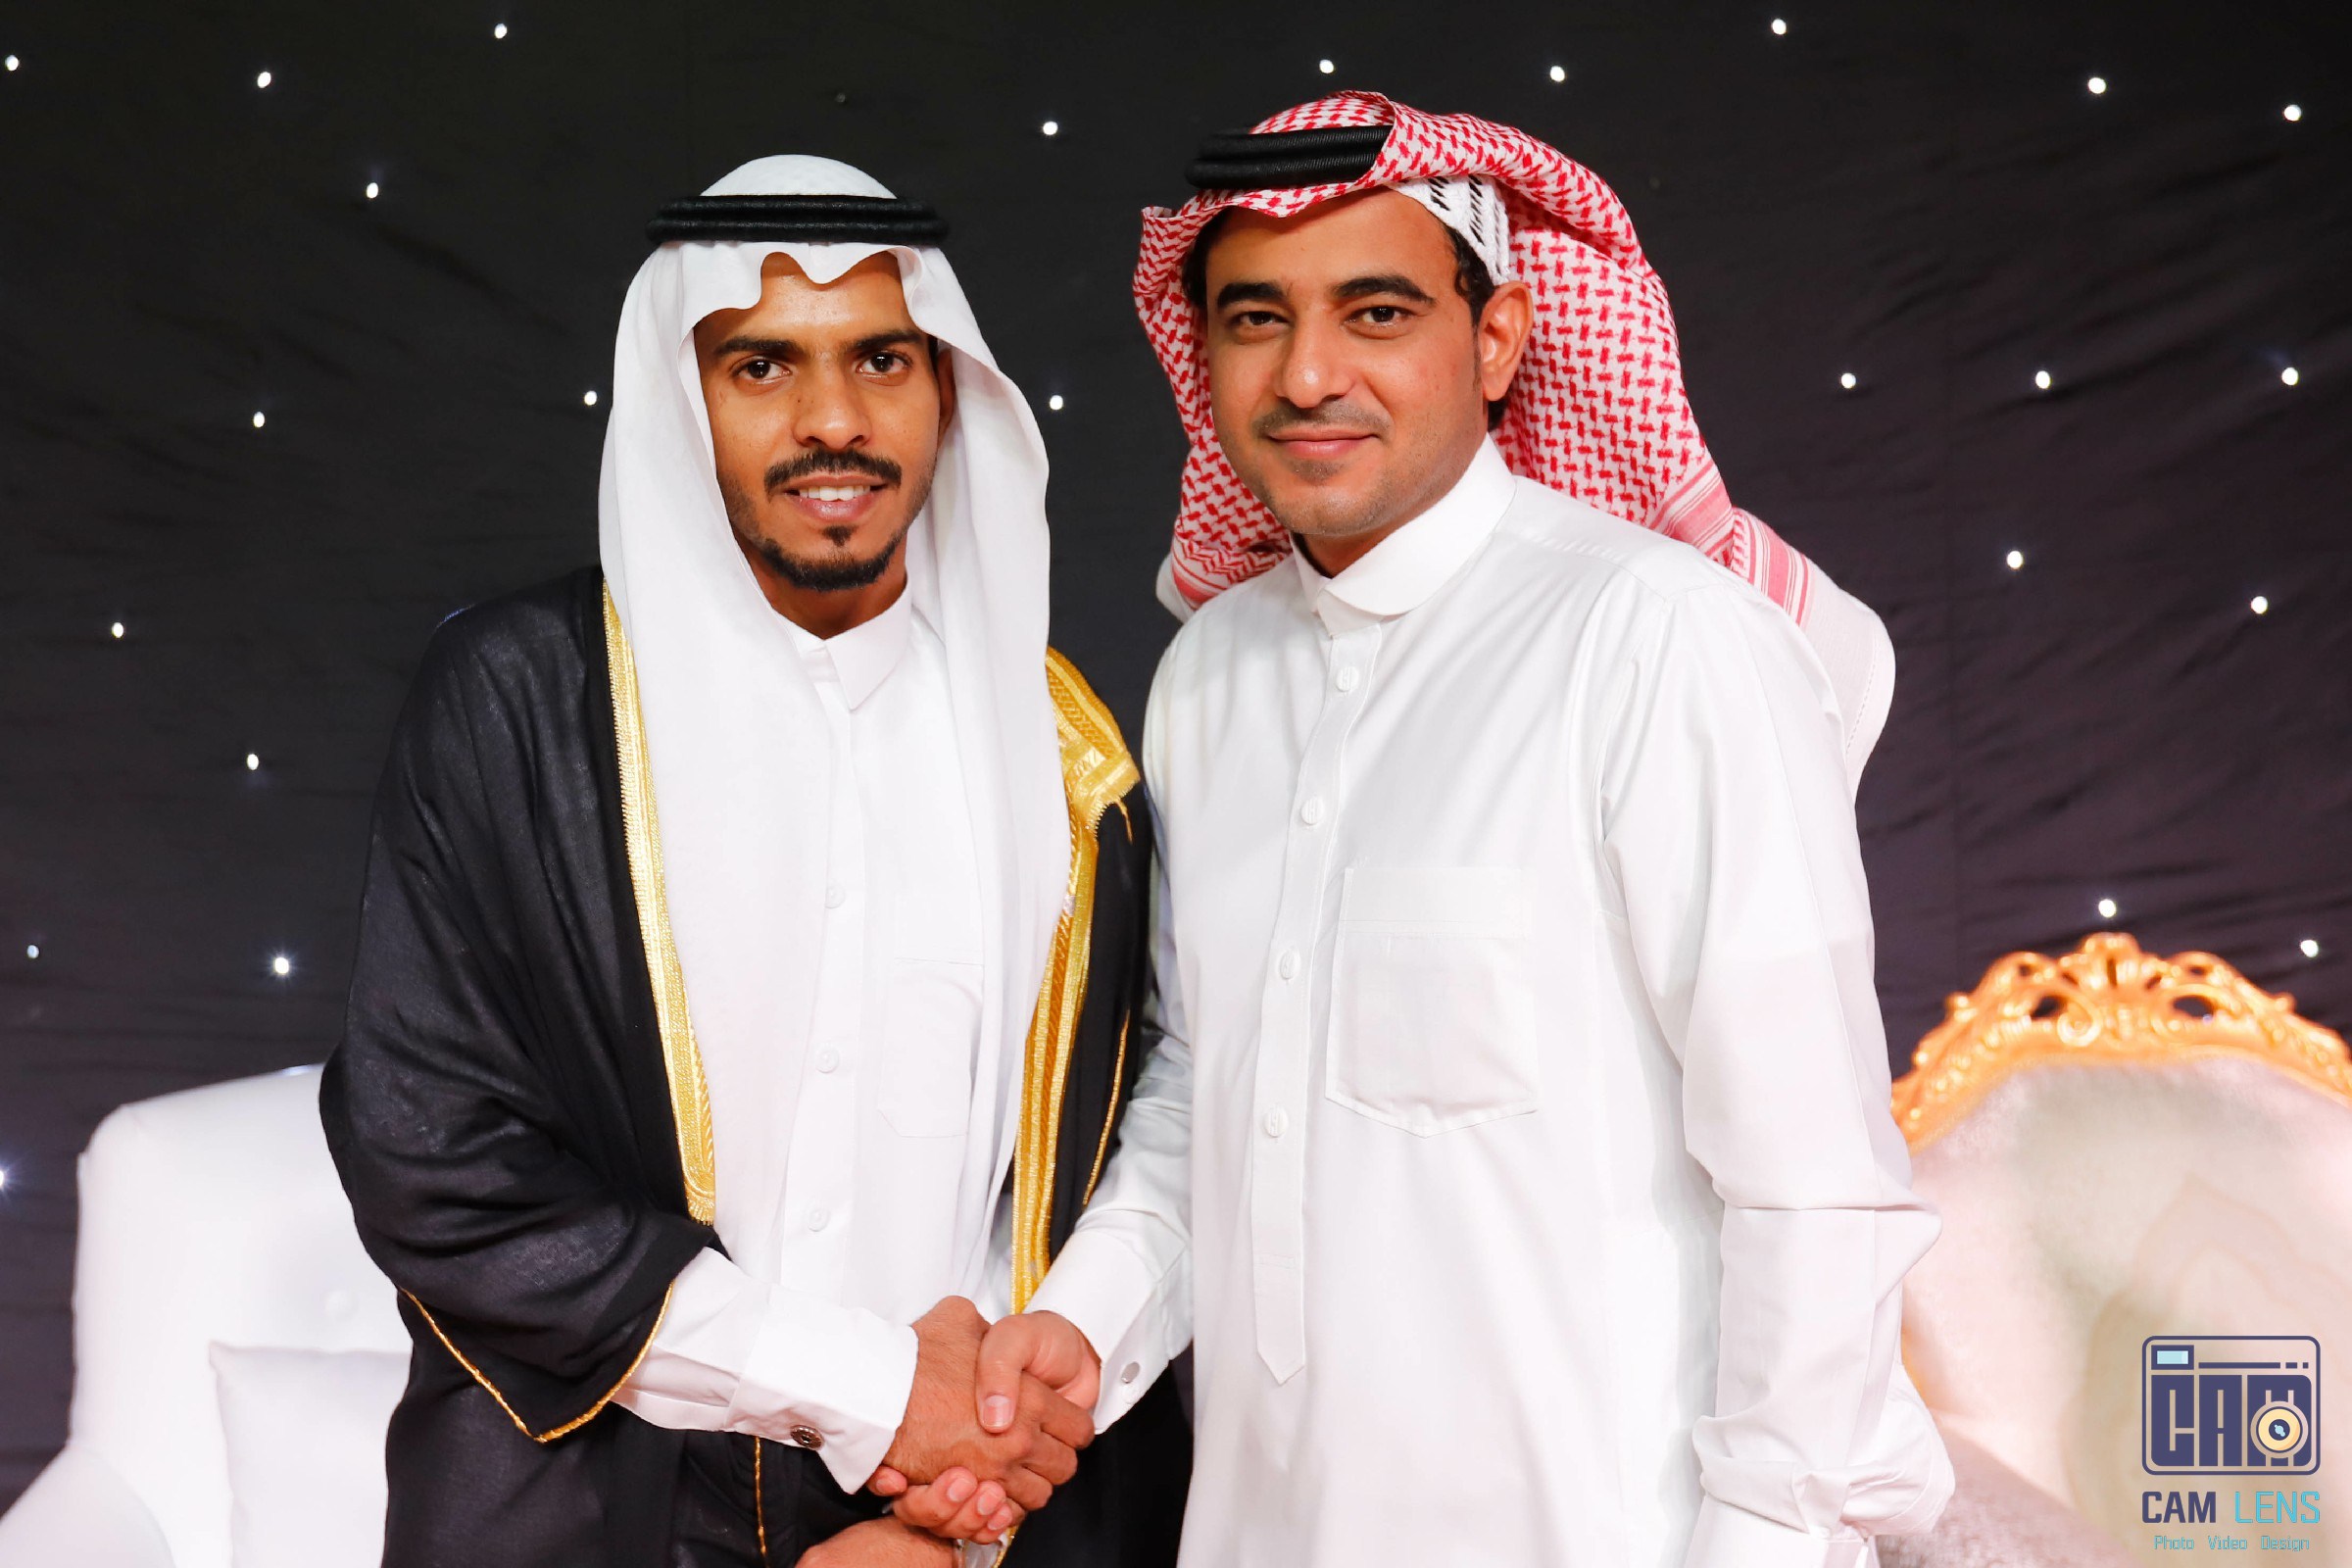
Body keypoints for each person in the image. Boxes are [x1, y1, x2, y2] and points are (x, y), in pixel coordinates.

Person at [957, 93, 1954, 1565]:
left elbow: (1816, 1186)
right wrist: (1087, 1321)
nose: (1308, 375)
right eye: (1254, 320)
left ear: (1498, 343)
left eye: (1376, 312)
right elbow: (1213, 1084)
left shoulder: (1657, 641)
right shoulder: (1208, 678)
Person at [318, 155, 1187, 1568]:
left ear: (947, 390)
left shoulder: (1059, 750)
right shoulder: (520, 703)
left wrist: (954, 1501)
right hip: (589, 1506)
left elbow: (1124, 1131)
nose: (832, 420)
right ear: (685, 400)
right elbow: (432, 1156)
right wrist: (876, 1396)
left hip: (952, 1523)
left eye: (881, 360)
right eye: (763, 365)